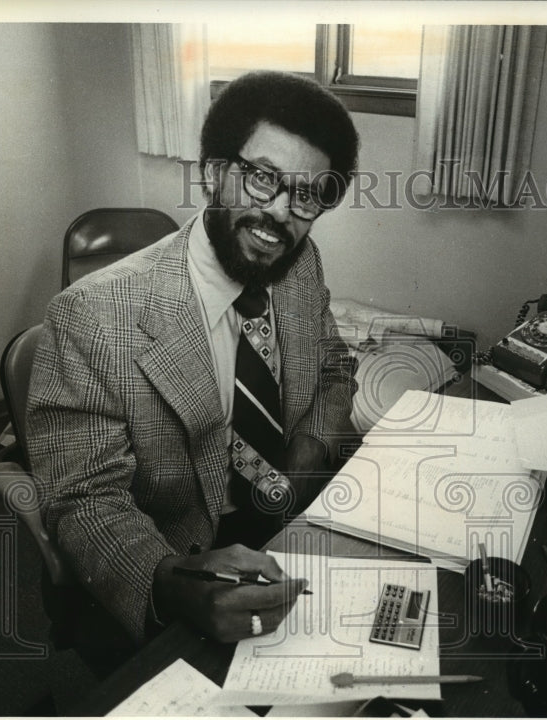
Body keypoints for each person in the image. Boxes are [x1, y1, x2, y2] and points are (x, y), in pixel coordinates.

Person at [27, 71, 361, 649]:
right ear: (212, 171)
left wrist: (301, 470)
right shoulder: (91, 316)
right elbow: (84, 500)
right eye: (262, 179)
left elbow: (333, 372)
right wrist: (173, 585)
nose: (281, 213)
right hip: (180, 571)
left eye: (306, 194)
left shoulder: (302, 266)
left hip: (293, 531)